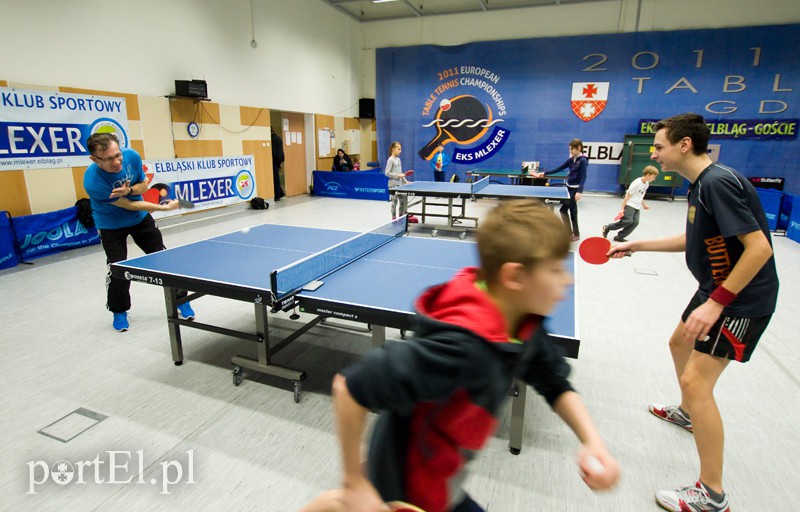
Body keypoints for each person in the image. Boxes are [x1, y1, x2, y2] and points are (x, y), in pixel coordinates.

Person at [301, 200, 620, 512]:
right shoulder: (461, 350)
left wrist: (592, 441)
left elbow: (555, 383)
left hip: (444, 474)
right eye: (555, 269)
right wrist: (354, 483)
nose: (568, 278)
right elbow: (350, 388)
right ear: (515, 277)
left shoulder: (523, 325)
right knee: (345, 502)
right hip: (408, 487)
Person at [608, 113, 778, 512]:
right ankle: (687, 413)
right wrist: (635, 245)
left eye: (659, 146)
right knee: (678, 343)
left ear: (684, 144)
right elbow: (695, 238)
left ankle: (712, 495)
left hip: (739, 299)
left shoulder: (717, 183)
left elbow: (759, 249)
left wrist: (718, 303)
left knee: (697, 382)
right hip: (715, 287)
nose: (654, 154)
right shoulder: (700, 185)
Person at [83, 133, 194, 332]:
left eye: (117, 155)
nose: (116, 162)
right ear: (94, 159)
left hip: (140, 219)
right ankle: (119, 311)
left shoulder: (131, 156)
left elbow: (143, 185)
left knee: (162, 259)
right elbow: (128, 205)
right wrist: (164, 208)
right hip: (110, 225)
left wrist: (129, 190)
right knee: (118, 268)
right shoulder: (93, 181)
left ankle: (181, 300)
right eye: (108, 159)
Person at [535, 139, 588, 241]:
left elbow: (584, 177)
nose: (570, 151)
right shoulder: (571, 159)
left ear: (578, 148)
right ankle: (573, 233)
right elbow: (559, 168)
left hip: (575, 189)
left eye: (572, 149)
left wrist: (579, 191)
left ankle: (573, 234)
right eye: (569, 149)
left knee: (565, 210)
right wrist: (544, 173)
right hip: (569, 187)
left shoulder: (583, 161)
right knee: (571, 210)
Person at [602, 165, 659, 242]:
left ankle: (620, 236)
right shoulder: (637, 183)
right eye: (653, 177)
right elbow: (627, 196)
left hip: (637, 206)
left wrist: (644, 205)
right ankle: (608, 227)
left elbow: (640, 195)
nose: (654, 179)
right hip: (630, 204)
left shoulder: (646, 184)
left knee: (635, 222)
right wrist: (622, 209)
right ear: (648, 174)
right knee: (628, 221)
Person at [384, 141, 418, 223]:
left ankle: (401, 218)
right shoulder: (390, 160)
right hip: (393, 186)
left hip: (400, 185)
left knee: (402, 202)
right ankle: (394, 219)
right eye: (398, 149)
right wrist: (398, 176)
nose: (400, 151)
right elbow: (387, 173)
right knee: (394, 202)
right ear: (393, 149)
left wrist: (406, 181)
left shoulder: (398, 159)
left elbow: (401, 172)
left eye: (401, 149)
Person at [271, 128, 286, 201]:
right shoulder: (278, 138)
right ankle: (280, 192)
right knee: (277, 177)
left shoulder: (273, 139)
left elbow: (274, 151)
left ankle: (277, 195)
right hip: (279, 159)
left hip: (275, 160)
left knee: (275, 178)